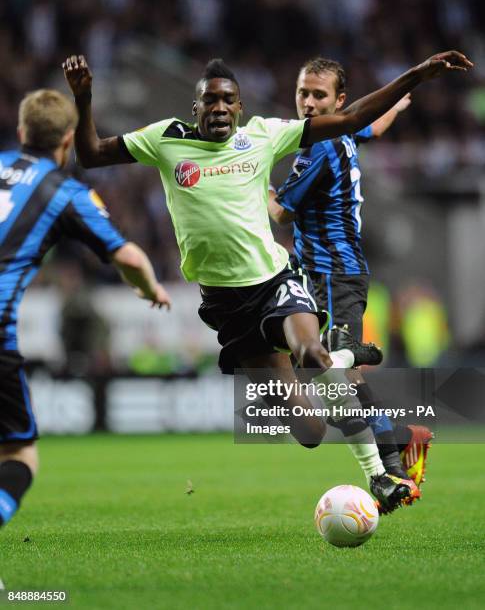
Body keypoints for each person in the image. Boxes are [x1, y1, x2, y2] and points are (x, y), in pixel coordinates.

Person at [62, 50, 471, 512]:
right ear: (195, 108)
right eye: (209, 101)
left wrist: (417, 73)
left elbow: (355, 116)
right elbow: (91, 154)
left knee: (311, 354)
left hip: (276, 281)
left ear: (240, 108)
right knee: (310, 432)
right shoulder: (164, 139)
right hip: (226, 306)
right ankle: (340, 356)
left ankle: (379, 476)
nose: (219, 108)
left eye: (228, 101)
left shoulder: (264, 134)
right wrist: (84, 98)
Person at [0, 89, 171, 528]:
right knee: (19, 454)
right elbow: (128, 257)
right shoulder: (65, 192)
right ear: (68, 141)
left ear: (21, 132)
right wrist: (150, 288)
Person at [267, 57, 433, 492]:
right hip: (335, 273)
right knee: (329, 374)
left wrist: (253, 184)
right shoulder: (341, 130)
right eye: (303, 92)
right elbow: (373, 127)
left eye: (318, 95)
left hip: (331, 274)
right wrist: (396, 107)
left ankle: (395, 463)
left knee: (337, 375)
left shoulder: (319, 146)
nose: (308, 102)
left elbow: (281, 213)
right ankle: (396, 446)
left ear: (338, 100)